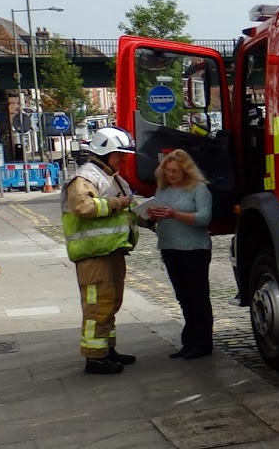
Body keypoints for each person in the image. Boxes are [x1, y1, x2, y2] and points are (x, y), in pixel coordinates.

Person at [61, 126, 139, 375]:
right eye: (119, 154)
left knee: (111, 302)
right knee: (98, 306)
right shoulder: (85, 178)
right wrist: (116, 203)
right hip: (93, 256)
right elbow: (83, 207)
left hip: (111, 252)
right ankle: (94, 358)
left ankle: (107, 348)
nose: (123, 159)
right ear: (104, 152)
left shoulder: (111, 176)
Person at [146, 149, 213, 359]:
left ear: (186, 171)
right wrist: (150, 217)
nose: (171, 175)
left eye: (175, 171)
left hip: (194, 249)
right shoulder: (162, 191)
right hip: (170, 248)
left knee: (198, 298)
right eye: (167, 171)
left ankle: (202, 343)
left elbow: (204, 218)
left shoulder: (198, 189)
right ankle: (189, 341)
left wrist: (174, 214)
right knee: (183, 298)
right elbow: (152, 221)